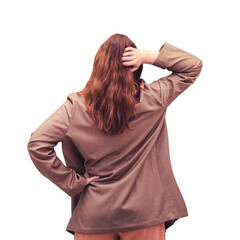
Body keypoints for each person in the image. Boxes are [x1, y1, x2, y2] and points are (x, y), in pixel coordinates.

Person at [27, 33, 203, 240]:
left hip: (94, 214)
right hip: (145, 211)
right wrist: (146, 56)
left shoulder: (75, 108)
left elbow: (37, 144)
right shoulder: (154, 98)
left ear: (98, 66)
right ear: (134, 66)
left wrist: (73, 181)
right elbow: (193, 66)